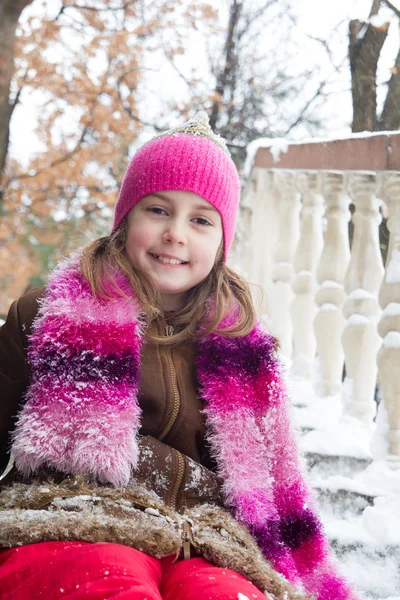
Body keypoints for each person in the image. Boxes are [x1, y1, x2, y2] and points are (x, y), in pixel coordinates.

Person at [0, 112, 358, 600]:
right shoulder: (46, 314)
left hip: (201, 537)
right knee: (104, 579)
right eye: (159, 210)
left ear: (221, 242)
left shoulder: (246, 354)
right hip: (77, 512)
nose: (177, 234)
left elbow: (279, 492)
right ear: (126, 220)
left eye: (201, 220)